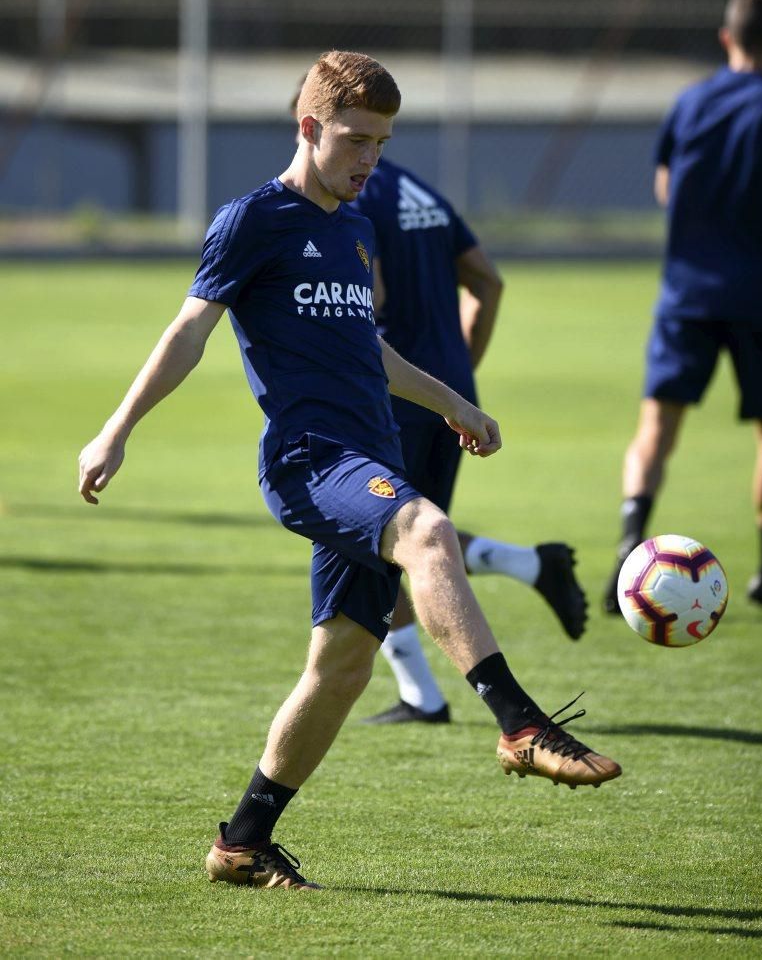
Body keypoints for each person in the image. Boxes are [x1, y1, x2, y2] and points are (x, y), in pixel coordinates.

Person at [79, 51, 620, 893]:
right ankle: (520, 724)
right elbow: (189, 331)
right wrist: (115, 431)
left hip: (370, 453)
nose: (371, 158)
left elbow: (368, 349)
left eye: (382, 141)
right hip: (310, 460)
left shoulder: (354, 228)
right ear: (309, 127)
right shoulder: (253, 219)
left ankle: (243, 843)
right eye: (357, 139)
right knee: (429, 530)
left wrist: (453, 402)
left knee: (341, 669)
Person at [351, 156, 587, 725]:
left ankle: (422, 697)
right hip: (446, 386)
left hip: (393, 389)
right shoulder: (421, 190)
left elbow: (370, 297)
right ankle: (530, 565)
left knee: (377, 542)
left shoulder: (348, 196)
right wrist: (459, 370)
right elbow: (488, 280)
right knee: (416, 538)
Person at [604, 0, 762, 614]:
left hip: (686, 293)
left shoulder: (690, 102)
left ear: (726, 38)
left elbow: (665, 184)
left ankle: (629, 547)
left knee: (657, 427)